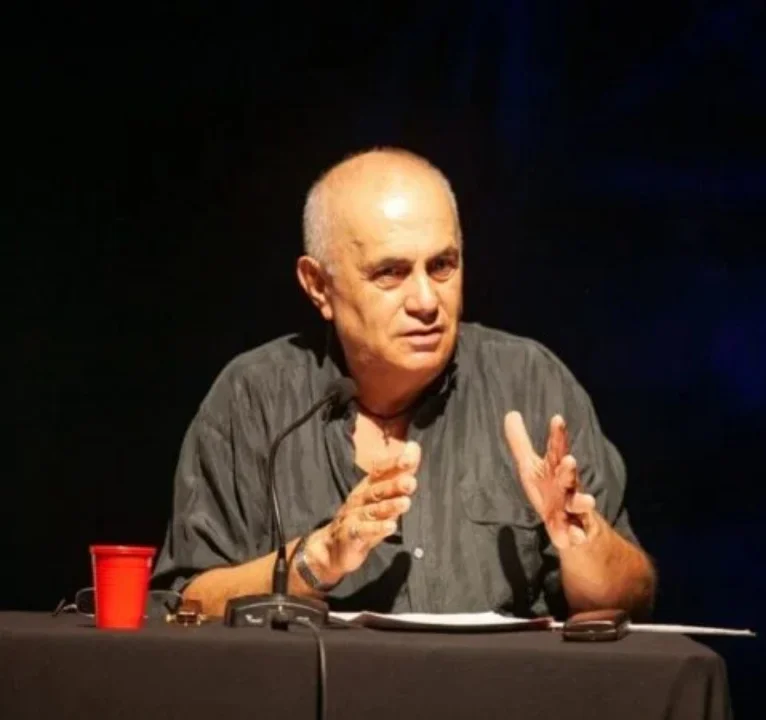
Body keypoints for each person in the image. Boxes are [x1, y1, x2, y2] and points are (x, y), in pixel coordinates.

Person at [152, 148, 656, 620]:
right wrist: (318, 557)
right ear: (318, 286)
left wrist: (582, 543)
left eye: (442, 266)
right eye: (390, 273)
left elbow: (633, 598)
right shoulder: (255, 399)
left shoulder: (529, 382)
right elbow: (185, 604)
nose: (426, 301)